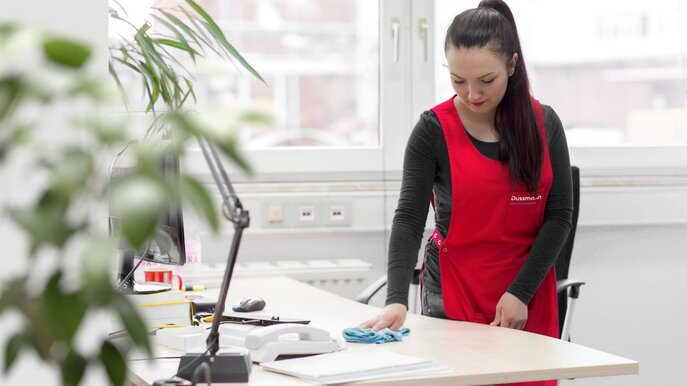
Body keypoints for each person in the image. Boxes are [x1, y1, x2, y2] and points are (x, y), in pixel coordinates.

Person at [361, 1, 573, 385]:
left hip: (526, 294)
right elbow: (409, 219)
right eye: (458, 80)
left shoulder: (545, 123)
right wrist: (395, 298)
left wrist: (520, 293)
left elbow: (559, 216)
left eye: (485, 80)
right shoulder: (432, 131)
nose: (472, 93)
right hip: (456, 292)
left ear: (511, 65)